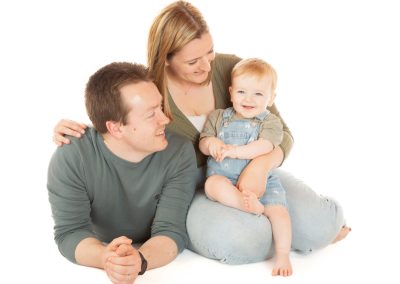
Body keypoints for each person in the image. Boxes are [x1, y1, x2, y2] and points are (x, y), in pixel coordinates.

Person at [53, 1, 350, 266]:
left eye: (209, 52)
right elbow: (123, 122)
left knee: (319, 225)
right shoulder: (152, 86)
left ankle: (302, 231)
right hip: (193, 187)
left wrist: (261, 166)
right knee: (245, 240)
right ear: (166, 58)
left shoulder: (230, 69)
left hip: (252, 169)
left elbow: (282, 132)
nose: (206, 65)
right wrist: (77, 130)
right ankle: (280, 236)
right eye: (193, 61)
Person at [47, 62, 197, 284]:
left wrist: (141, 261)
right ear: (116, 128)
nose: (165, 119)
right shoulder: (72, 156)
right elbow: (70, 232)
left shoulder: (179, 152)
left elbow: (171, 230)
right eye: (150, 115)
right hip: (100, 241)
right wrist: (104, 257)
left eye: (160, 107)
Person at [199, 58, 292, 276]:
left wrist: (234, 152)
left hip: (262, 181)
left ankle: (283, 254)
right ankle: (245, 204)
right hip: (225, 179)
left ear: (271, 98)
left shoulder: (270, 122)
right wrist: (211, 145)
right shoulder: (218, 117)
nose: (248, 99)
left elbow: (265, 145)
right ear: (230, 92)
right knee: (212, 185)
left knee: (280, 212)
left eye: (258, 94)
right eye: (241, 92)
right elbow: (203, 141)